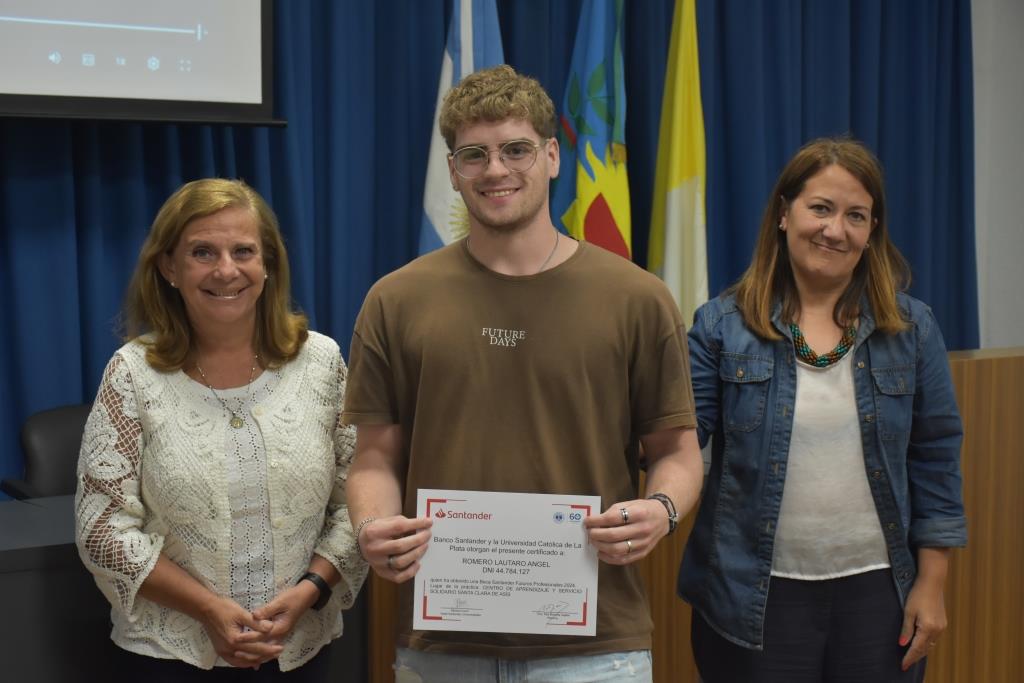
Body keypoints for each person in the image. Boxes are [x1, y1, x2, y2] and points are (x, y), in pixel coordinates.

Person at [342, 64, 704, 681]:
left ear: (554, 156)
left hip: (597, 647)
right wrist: (373, 526)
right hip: (442, 642)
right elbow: (374, 458)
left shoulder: (638, 298)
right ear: (453, 170)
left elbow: (676, 450)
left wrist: (662, 509)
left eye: (516, 150)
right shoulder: (395, 299)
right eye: (474, 154)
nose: (496, 170)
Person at [679, 137, 966, 682]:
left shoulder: (911, 328)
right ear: (784, 214)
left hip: (880, 597)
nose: (836, 229)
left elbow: (936, 460)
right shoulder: (720, 327)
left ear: (872, 230)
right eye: (821, 208)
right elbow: (680, 445)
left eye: (856, 215)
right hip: (751, 596)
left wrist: (932, 584)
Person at [74, 179, 367, 680]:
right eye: (202, 252)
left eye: (244, 251)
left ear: (269, 264)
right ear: (169, 267)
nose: (226, 270)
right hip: (171, 657)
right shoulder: (132, 373)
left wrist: (310, 592)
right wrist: (208, 609)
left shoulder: (322, 362)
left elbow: (356, 500)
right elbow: (101, 528)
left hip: (302, 651)